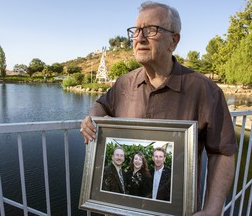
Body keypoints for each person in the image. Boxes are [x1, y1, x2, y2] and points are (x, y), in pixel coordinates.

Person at [80, 1, 238, 215]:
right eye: (136, 31)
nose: (140, 38)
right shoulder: (124, 84)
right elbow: (101, 105)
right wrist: (91, 118)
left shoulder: (205, 90)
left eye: (151, 30)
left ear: (174, 40)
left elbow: (222, 152)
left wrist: (212, 209)